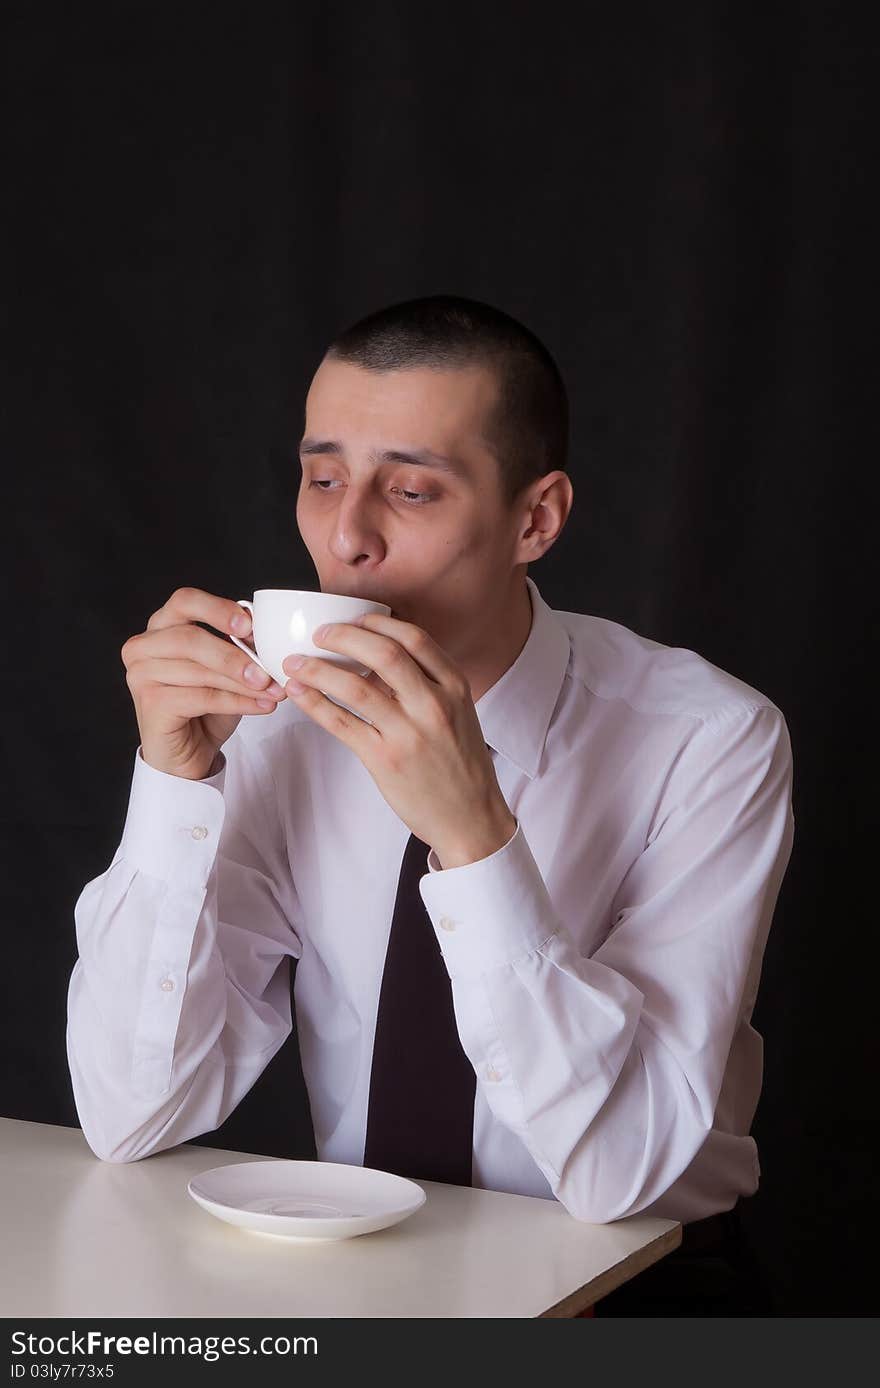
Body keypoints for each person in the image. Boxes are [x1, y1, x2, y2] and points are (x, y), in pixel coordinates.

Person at [66, 294, 794, 1315]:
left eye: (409, 489)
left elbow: (627, 1173)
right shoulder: (273, 731)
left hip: (641, 1286)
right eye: (322, 478)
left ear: (532, 518)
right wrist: (172, 783)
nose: (347, 534)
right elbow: (128, 1111)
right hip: (364, 1280)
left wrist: (472, 834)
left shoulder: (708, 738)